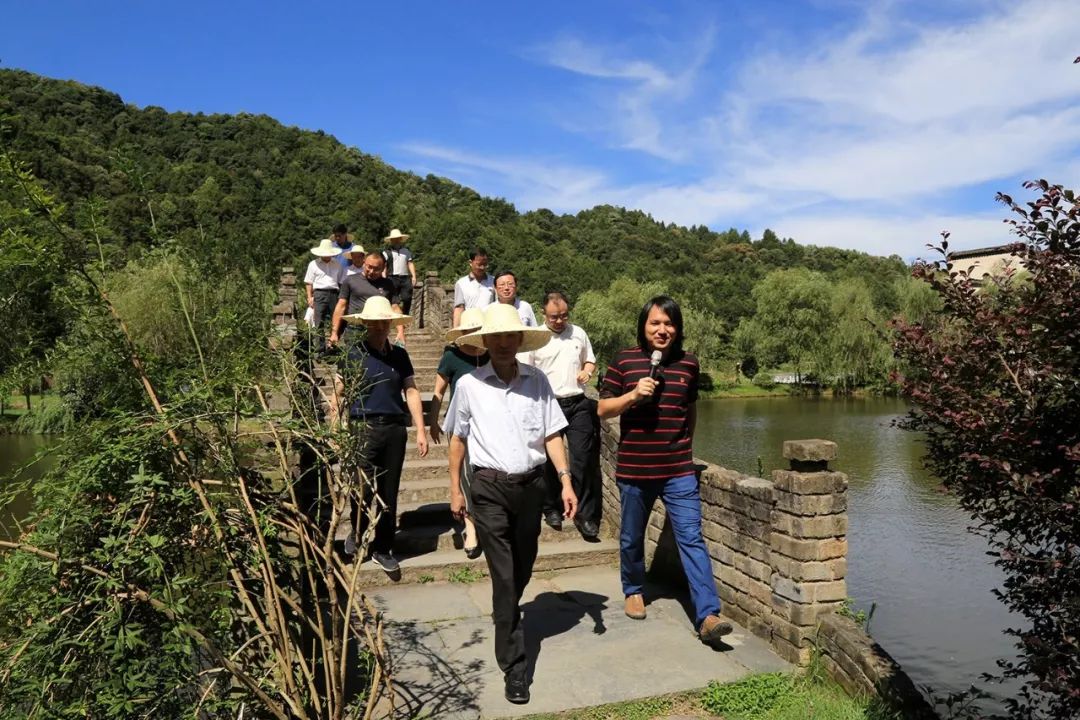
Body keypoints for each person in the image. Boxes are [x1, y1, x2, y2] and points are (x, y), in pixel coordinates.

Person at [442, 304, 578, 705]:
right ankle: (514, 667)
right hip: (488, 489)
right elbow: (457, 441)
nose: (502, 343)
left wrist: (566, 481)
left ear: (519, 341)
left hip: (533, 486)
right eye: (495, 337)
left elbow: (553, 434)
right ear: (485, 342)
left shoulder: (537, 381)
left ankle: (506, 611)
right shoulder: (469, 385)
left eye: (509, 336)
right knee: (503, 576)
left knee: (523, 563)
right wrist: (455, 488)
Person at [597, 295, 733, 647]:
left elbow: (691, 411)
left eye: (669, 324)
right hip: (634, 469)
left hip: (678, 471)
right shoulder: (624, 360)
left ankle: (708, 615)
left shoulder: (689, 364)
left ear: (678, 329)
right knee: (630, 538)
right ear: (644, 326)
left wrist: (686, 449)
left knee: (691, 538)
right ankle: (633, 589)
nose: (662, 330)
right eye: (655, 323)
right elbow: (601, 409)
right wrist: (632, 396)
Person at [335, 296, 428, 573]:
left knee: (389, 491)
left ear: (389, 323)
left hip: (394, 428)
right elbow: (339, 394)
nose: (378, 327)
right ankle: (358, 530)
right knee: (361, 488)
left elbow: (410, 390)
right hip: (362, 426)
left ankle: (383, 547)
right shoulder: (352, 352)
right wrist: (337, 430)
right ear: (365, 324)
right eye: (373, 322)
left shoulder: (399, 355)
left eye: (383, 322)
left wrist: (421, 429)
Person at [524, 290, 599, 539]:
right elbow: (525, 372)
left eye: (564, 316)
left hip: (577, 403)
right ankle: (551, 507)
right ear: (543, 313)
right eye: (555, 316)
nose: (560, 321)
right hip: (547, 403)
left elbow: (590, 360)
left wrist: (587, 371)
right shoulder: (536, 338)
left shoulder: (578, 333)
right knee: (546, 461)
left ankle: (584, 514)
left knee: (582, 459)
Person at [426, 308, 488, 559]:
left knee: (485, 475)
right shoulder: (451, 356)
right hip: (461, 424)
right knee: (465, 476)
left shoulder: (493, 354)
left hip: (489, 423)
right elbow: (439, 391)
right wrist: (432, 420)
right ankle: (471, 527)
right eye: (468, 331)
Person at [329, 251, 400, 348]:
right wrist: (334, 333)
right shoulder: (350, 280)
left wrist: (400, 332)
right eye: (369, 267)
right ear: (364, 263)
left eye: (376, 269)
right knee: (355, 360)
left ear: (383, 268)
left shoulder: (388, 284)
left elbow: (394, 307)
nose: (371, 271)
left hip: (378, 330)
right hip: (355, 330)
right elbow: (341, 306)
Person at [303, 238, 346, 351]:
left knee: (335, 321)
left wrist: (342, 297)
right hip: (319, 293)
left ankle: (333, 345)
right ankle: (319, 349)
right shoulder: (313, 264)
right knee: (318, 322)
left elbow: (341, 282)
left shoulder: (337, 264)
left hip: (334, 294)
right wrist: (309, 297)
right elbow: (309, 282)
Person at [452, 248, 494, 327]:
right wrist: (456, 333)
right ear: (471, 263)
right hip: (469, 326)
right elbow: (459, 308)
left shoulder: (493, 281)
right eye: (479, 264)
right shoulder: (461, 283)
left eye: (485, 264)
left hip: (489, 327)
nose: (482, 267)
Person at [382, 228, 417, 314]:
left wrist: (414, 276)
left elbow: (410, 263)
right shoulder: (386, 252)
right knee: (393, 299)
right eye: (394, 239)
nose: (396, 241)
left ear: (400, 239)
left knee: (407, 297)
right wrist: (383, 276)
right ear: (391, 241)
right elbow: (384, 265)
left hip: (405, 278)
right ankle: (394, 316)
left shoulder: (406, 251)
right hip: (392, 278)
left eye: (397, 239)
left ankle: (405, 315)